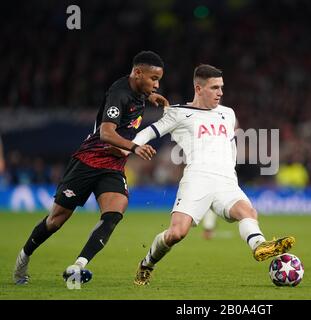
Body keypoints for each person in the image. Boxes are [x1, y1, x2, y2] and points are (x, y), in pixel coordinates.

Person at [122, 64, 295, 285]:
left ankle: (259, 246)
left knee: (247, 211)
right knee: (177, 233)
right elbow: (150, 131)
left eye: (221, 87)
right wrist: (130, 147)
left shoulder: (228, 113)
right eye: (214, 88)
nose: (220, 93)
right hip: (197, 179)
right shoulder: (179, 112)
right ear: (198, 88)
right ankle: (147, 263)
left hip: (225, 180)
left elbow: (230, 145)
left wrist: (230, 171)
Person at [13, 50, 168, 285]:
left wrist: (150, 97)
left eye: (159, 80)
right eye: (153, 79)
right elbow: (106, 133)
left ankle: (78, 266)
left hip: (113, 166)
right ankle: (23, 258)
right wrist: (135, 147)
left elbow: (136, 101)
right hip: (88, 162)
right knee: (56, 220)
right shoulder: (119, 94)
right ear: (137, 73)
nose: (157, 85)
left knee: (115, 212)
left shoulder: (138, 91)